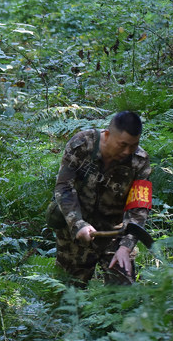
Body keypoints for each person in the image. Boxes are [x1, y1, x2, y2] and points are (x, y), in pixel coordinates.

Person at [46, 110, 152, 286]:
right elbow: (64, 187)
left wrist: (126, 247)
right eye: (122, 144)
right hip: (76, 231)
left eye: (133, 145)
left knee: (123, 295)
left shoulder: (140, 162)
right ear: (108, 134)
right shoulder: (81, 145)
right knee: (67, 295)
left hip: (114, 234)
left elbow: (138, 208)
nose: (127, 151)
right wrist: (77, 224)